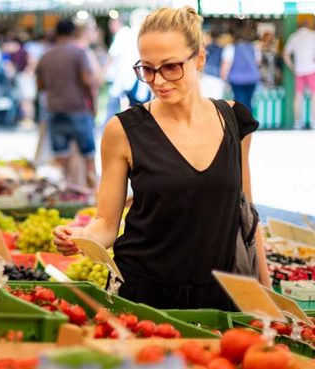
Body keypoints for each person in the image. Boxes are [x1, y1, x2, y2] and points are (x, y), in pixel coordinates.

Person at [53, 6, 268, 310]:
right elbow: (105, 224)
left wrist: (268, 295)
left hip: (220, 296)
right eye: (147, 69)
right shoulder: (123, 130)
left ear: (201, 59)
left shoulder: (235, 121)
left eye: (170, 67)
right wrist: (81, 237)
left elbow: (247, 212)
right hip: (143, 295)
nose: (158, 81)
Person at [36, 19, 97, 189]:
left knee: (60, 160)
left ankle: (61, 195)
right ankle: (94, 196)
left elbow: (40, 86)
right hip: (77, 109)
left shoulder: (46, 56)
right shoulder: (79, 53)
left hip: (54, 110)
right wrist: (93, 105)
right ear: (73, 33)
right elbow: (87, 81)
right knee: (88, 158)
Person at [283, 21, 315, 129]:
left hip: (299, 70)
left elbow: (285, 54)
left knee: (298, 96)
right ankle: (313, 121)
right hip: (311, 69)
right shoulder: (313, 35)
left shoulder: (294, 37)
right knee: (314, 96)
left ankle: (297, 122)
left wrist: (292, 67)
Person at [220, 29, 261, 111]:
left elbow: (226, 66)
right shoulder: (254, 48)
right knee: (248, 102)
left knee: (239, 103)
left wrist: (224, 80)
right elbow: (258, 63)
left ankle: (240, 122)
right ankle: (249, 122)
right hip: (251, 80)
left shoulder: (230, 48)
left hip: (237, 80)